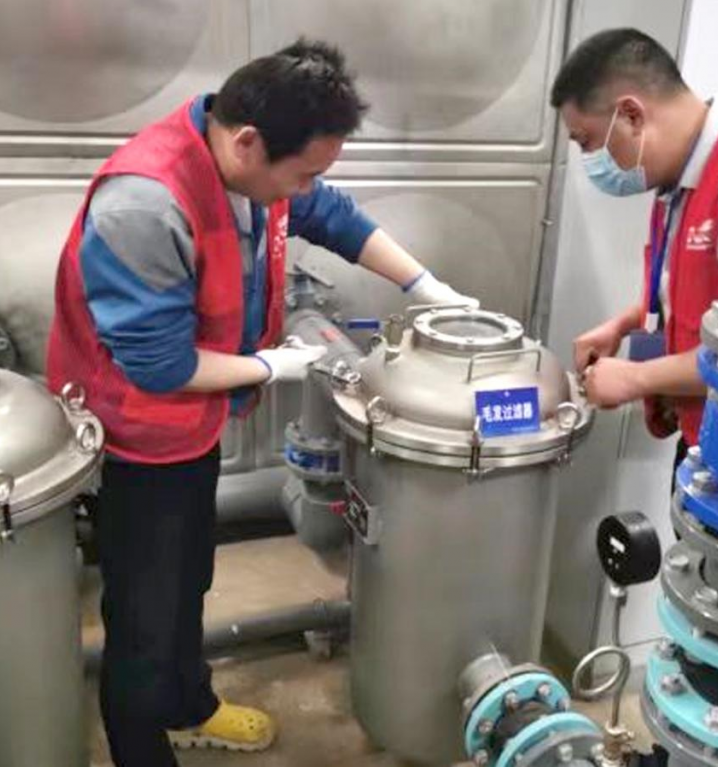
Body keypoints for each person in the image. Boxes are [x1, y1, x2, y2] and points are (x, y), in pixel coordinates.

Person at [46, 39, 476, 767]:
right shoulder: (144, 205)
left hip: (194, 424)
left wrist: (426, 287)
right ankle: (141, 749)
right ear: (248, 142)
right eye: (302, 173)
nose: (307, 190)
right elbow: (158, 365)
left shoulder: (247, 166)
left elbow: (331, 216)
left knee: (189, 578)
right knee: (144, 613)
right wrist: (273, 365)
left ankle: (189, 705)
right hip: (136, 435)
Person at [550, 28, 718, 470]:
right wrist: (625, 323)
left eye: (586, 141)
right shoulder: (676, 178)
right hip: (702, 435)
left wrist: (637, 378)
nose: (591, 160)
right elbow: (691, 287)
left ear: (631, 115)